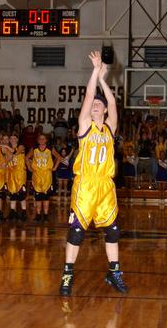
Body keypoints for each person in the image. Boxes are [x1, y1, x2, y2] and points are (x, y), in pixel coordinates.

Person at [59, 50, 128, 296]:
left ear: (105, 112)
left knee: (112, 230)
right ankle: (67, 275)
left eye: (100, 105)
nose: (96, 105)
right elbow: (89, 95)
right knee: (77, 231)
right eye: (94, 105)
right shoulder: (85, 126)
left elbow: (112, 103)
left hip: (105, 186)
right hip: (86, 184)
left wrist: (103, 81)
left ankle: (114, 272)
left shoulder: (110, 128)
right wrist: (94, 72)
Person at [26, 134, 59, 223]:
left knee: (45, 198)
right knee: (38, 198)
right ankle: (38, 215)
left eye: (43, 138)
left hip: (47, 176)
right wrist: (29, 168)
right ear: (37, 140)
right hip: (36, 176)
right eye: (40, 138)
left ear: (46, 140)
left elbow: (58, 157)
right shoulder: (34, 149)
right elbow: (26, 157)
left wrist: (55, 168)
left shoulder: (50, 148)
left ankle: (45, 216)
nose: (41, 140)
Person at [7, 134, 27, 221]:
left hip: (20, 174)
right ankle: (13, 212)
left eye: (14, 138)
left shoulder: (21, 147)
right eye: (11, 138)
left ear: (17, 140)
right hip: (11, 174)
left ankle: (24, 213)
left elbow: (16, 153)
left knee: (21, 194)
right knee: (12, 194)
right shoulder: (7, 149)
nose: (12, 139)